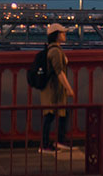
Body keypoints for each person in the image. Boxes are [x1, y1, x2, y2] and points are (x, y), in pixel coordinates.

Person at [39, 23, 75, 153]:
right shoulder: (55, 52)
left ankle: (59, 140)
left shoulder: (53, 50)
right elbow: (59, 72)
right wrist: (69, 88)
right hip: (53, 89)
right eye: (62, 33)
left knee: (61, 113)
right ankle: (45, 144)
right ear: (56, 35)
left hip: (54, 88)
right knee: (50, 115)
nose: (65, 35)